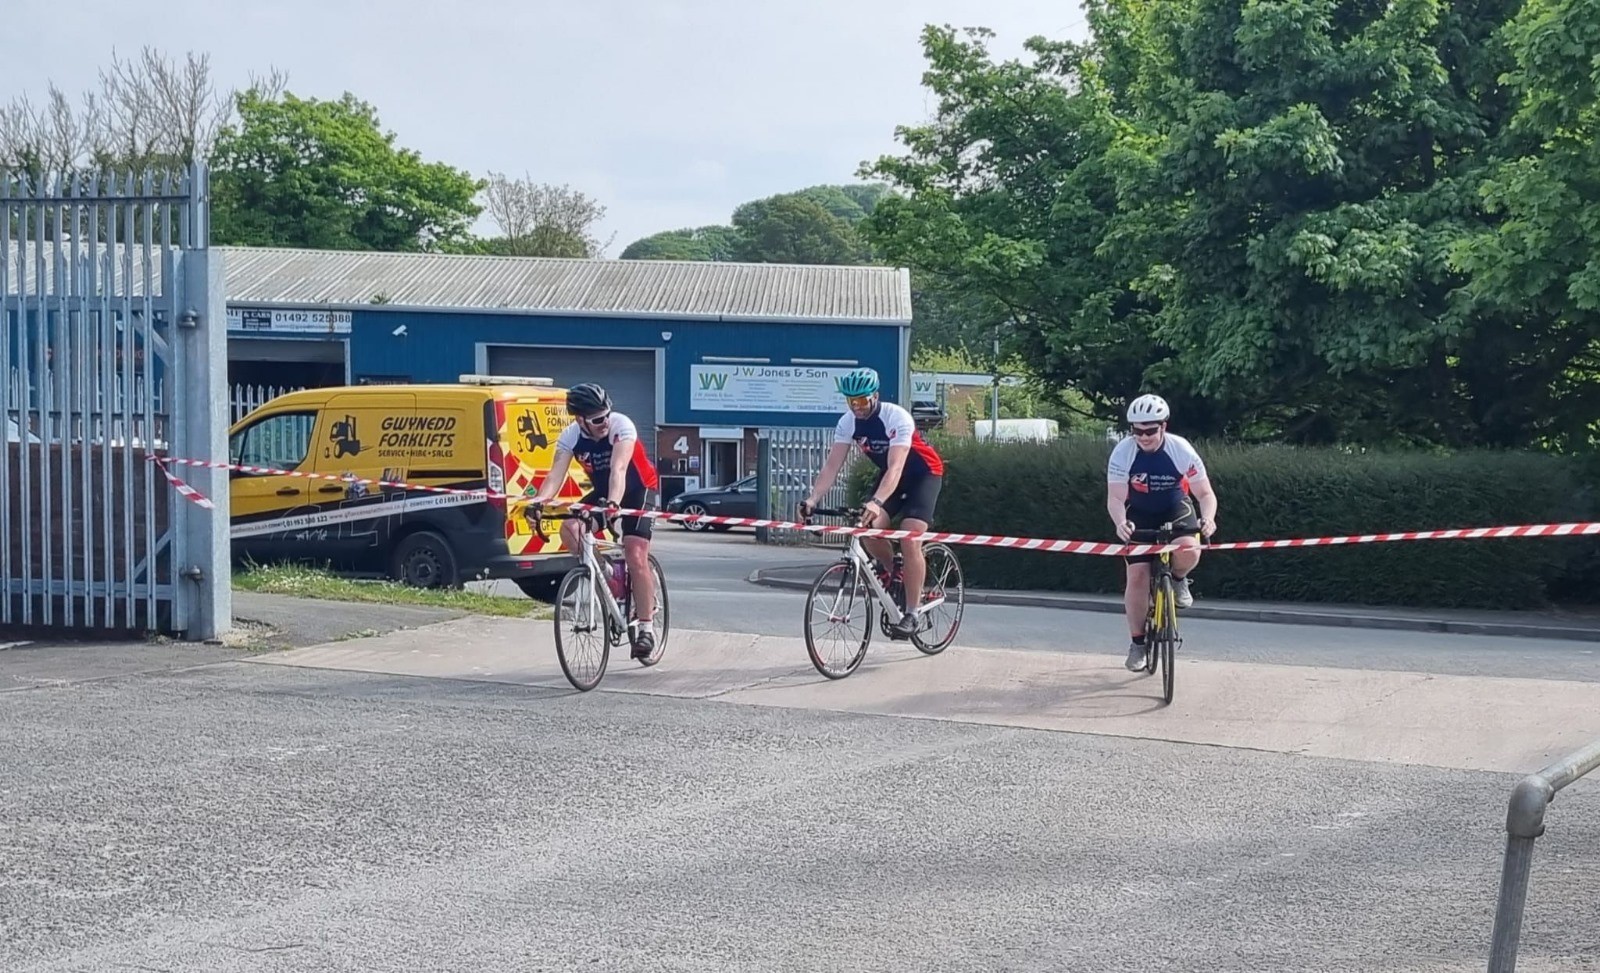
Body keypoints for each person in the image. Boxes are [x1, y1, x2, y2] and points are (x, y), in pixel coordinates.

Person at [798, 366, 945, 640]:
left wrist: (877, 501)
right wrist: (813, 498)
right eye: (851, 401)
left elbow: (896, 466)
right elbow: (831, 466)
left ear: (875, 396)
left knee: (910, 537)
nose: (856, 407)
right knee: (867, 527)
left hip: (923, 474)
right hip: (891, 476)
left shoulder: (896, 417)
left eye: (861, 400)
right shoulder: (848, 423)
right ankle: (894, 572)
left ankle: (913, 613)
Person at [525, 382, 661, 659]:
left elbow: (618, 469)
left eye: (606, 415)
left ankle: (646, 628)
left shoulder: (621, 426)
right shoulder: (570, 436)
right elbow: (555, 476)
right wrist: (538, 503)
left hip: (639, 489)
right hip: (603, 491)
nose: (605, 422)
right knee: (570, 529)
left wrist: (613, 504)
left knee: (635, 553)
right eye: (598, 419)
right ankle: (608, 573)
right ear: (580, 420)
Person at [1106, 393, 1218, 672]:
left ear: (1163, 426)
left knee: (1189, 549)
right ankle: (1137, 644)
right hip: (1139, 512)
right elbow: (1116, 498)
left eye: (1150, 431)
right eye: (1137, 431)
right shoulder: (1123, 452)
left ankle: (1178, 579)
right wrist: (1120, 522)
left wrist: (1208, 518)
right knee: (1137, 576)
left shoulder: (1181, 449)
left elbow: (1205, 494)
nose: (1143, 437)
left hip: (1174, 507)